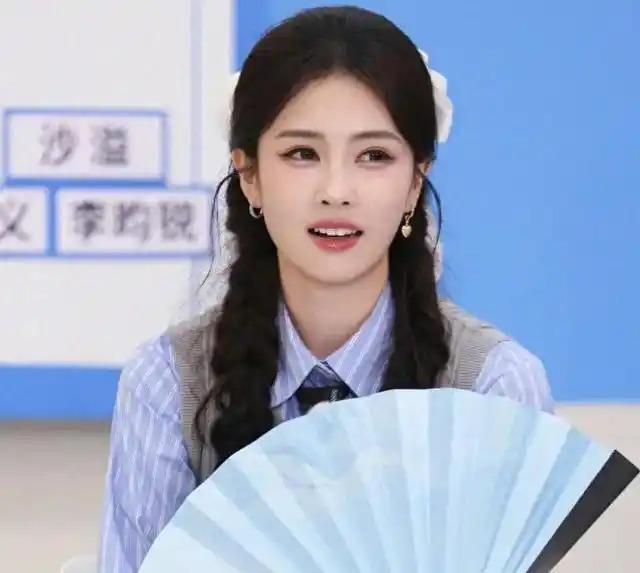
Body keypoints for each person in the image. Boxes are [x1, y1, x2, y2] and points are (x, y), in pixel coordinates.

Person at [97, 5, 554, 572]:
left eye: (374, 156)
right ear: (249, 175)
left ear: (416, 180)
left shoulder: (494, 387)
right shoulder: (166, 384)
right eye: (302, 154)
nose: (337, 190)